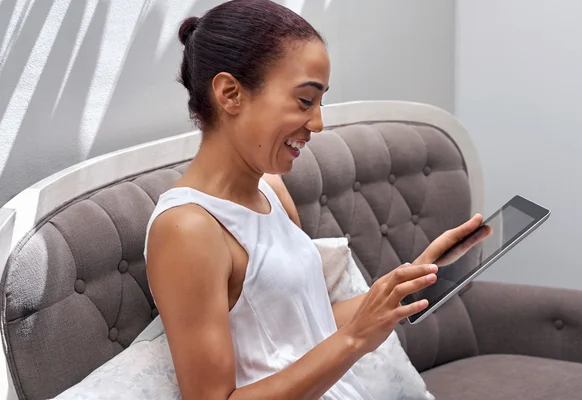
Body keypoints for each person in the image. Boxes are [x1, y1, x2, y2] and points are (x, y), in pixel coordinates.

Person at [144, 1, 483, 399]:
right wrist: (355, 340)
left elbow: (306, 330)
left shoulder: (271, 189)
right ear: (230, 93)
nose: (318, 122)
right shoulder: (188, 229)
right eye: (306, 101)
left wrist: (408, 282)